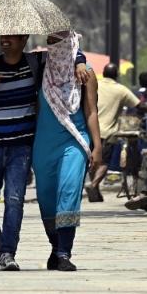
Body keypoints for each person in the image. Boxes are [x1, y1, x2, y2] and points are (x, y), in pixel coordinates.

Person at [0, 34, 87, 271]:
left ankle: (7, 253)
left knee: (14, 201)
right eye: (3, 36)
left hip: (21, 148)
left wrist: (80, 62)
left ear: (24, 39)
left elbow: (65, 53)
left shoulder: (36, 62)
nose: (5, 40)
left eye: (12, 37)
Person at [32, 30, 103, 272]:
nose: (54, 46)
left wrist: (97, 146)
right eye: (49, 41)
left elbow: (91, 111)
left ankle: (64, 251)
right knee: (46, 198)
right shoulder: (40, 70)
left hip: (75, 141)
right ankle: (55, 247)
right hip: (43, 144)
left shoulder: (86, 73)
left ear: (70, 42)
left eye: (59, 41)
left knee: (69, 191)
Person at [88, 63, 141, 200]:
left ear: (103, 73)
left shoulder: (95, 85)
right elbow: (139, 104)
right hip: (108, 132)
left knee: (93, 161)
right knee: (104, 162)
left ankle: (95, 191)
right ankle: (93, 185)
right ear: (117, 75)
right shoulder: (121, 90)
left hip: (91, 129)